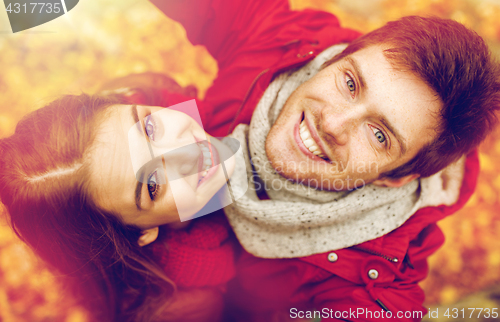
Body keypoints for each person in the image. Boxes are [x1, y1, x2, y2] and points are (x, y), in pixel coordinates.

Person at [149, 0, 500, 320]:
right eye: (350, 84)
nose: (332, 125)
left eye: (379, 136)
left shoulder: (370, 282)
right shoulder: (283, 41)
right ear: (335, 58)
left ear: (394, 178)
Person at [0, 80, 239, 322]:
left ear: (127, 102)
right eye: (153, 185)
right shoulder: (191, 307)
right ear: (143, 233)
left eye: (149, 129)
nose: (187, 150)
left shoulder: (143, 92)